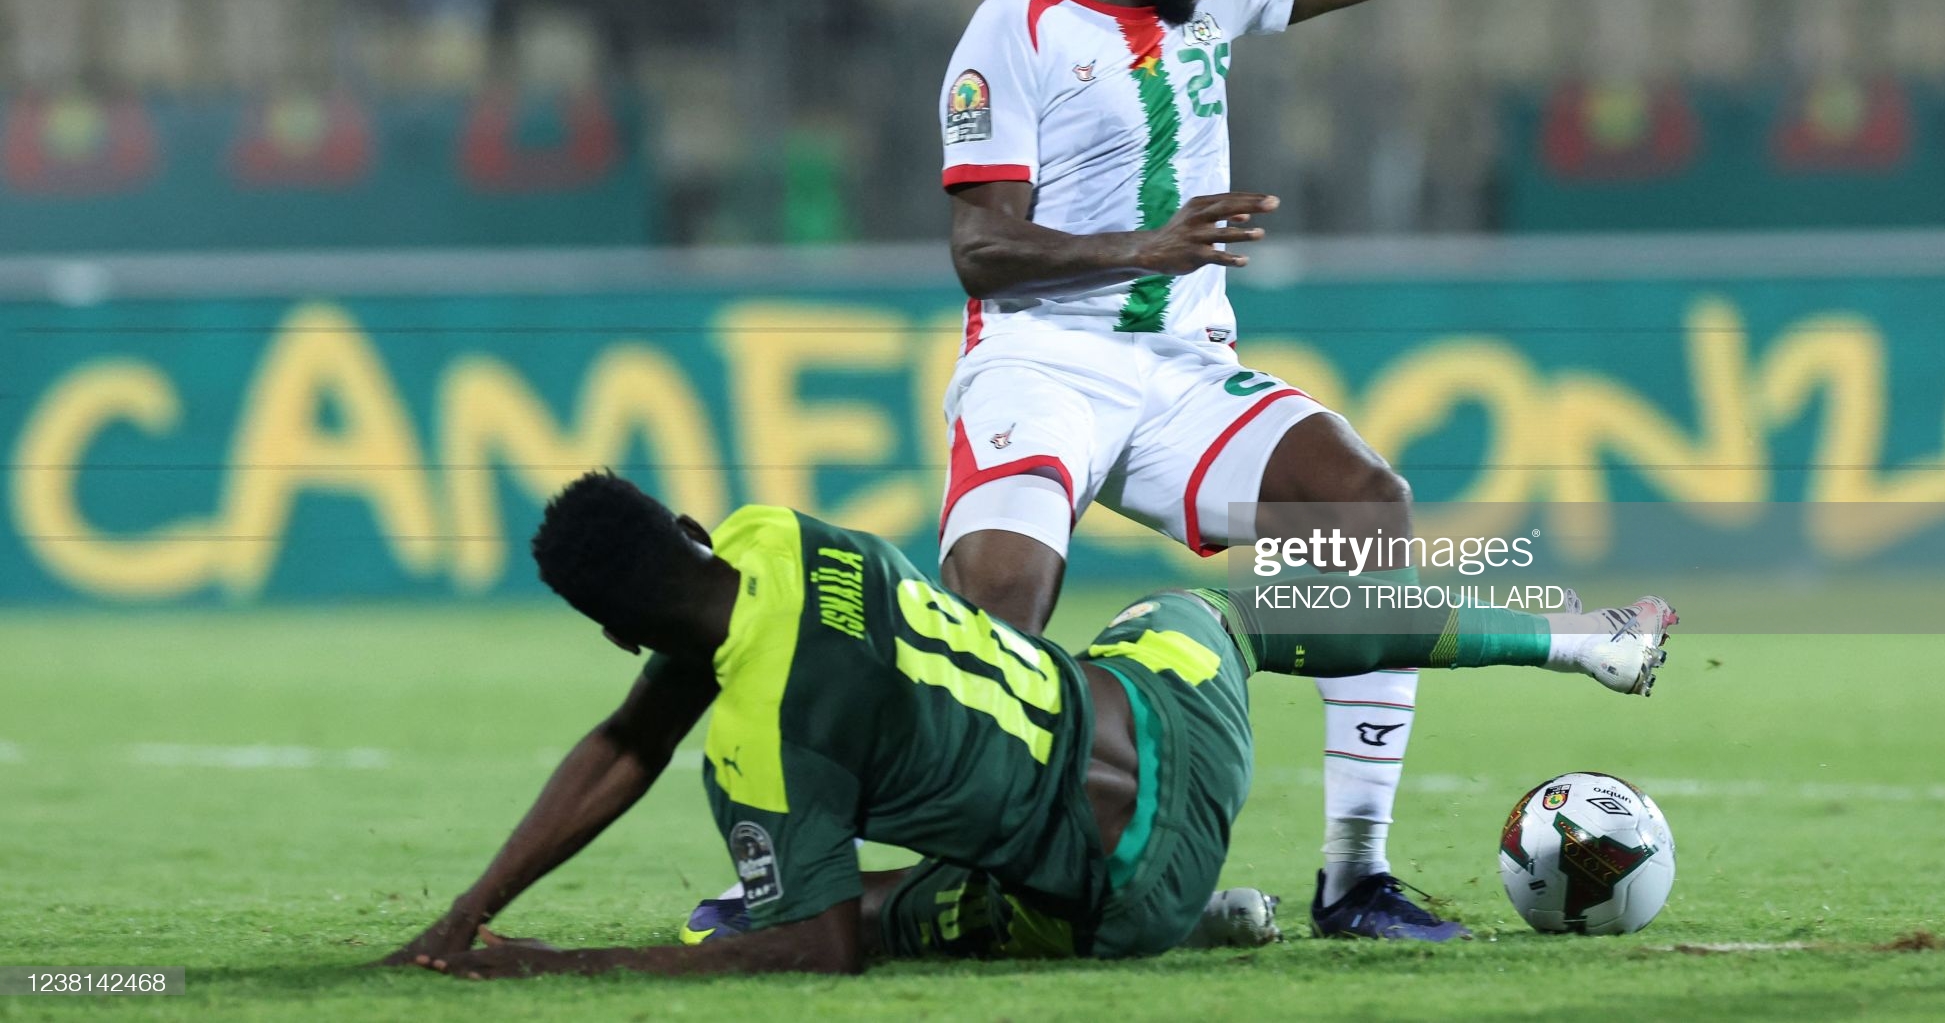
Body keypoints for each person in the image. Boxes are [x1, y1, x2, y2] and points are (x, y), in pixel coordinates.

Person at [386, 473, 1677, 979]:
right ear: (689, 528)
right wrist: (470, 911)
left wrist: (549, 958)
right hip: (1173, 725)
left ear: (622, 639)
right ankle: (1585, 640)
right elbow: (646, 720)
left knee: (824, 912)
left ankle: (1192, 905)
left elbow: (814, 941)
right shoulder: (779, 532)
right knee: (1225, 607)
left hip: (1114, 907)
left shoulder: (761, 753)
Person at [933, 0, 1456, 937]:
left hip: (1175, 374)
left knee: (1362, 506)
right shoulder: (1011, 31)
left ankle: (1355, 874)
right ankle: (966, 870)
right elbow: (978, 250)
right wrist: (1142, 248)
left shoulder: (1208, 0)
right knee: (998, 616)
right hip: (1037, 359)